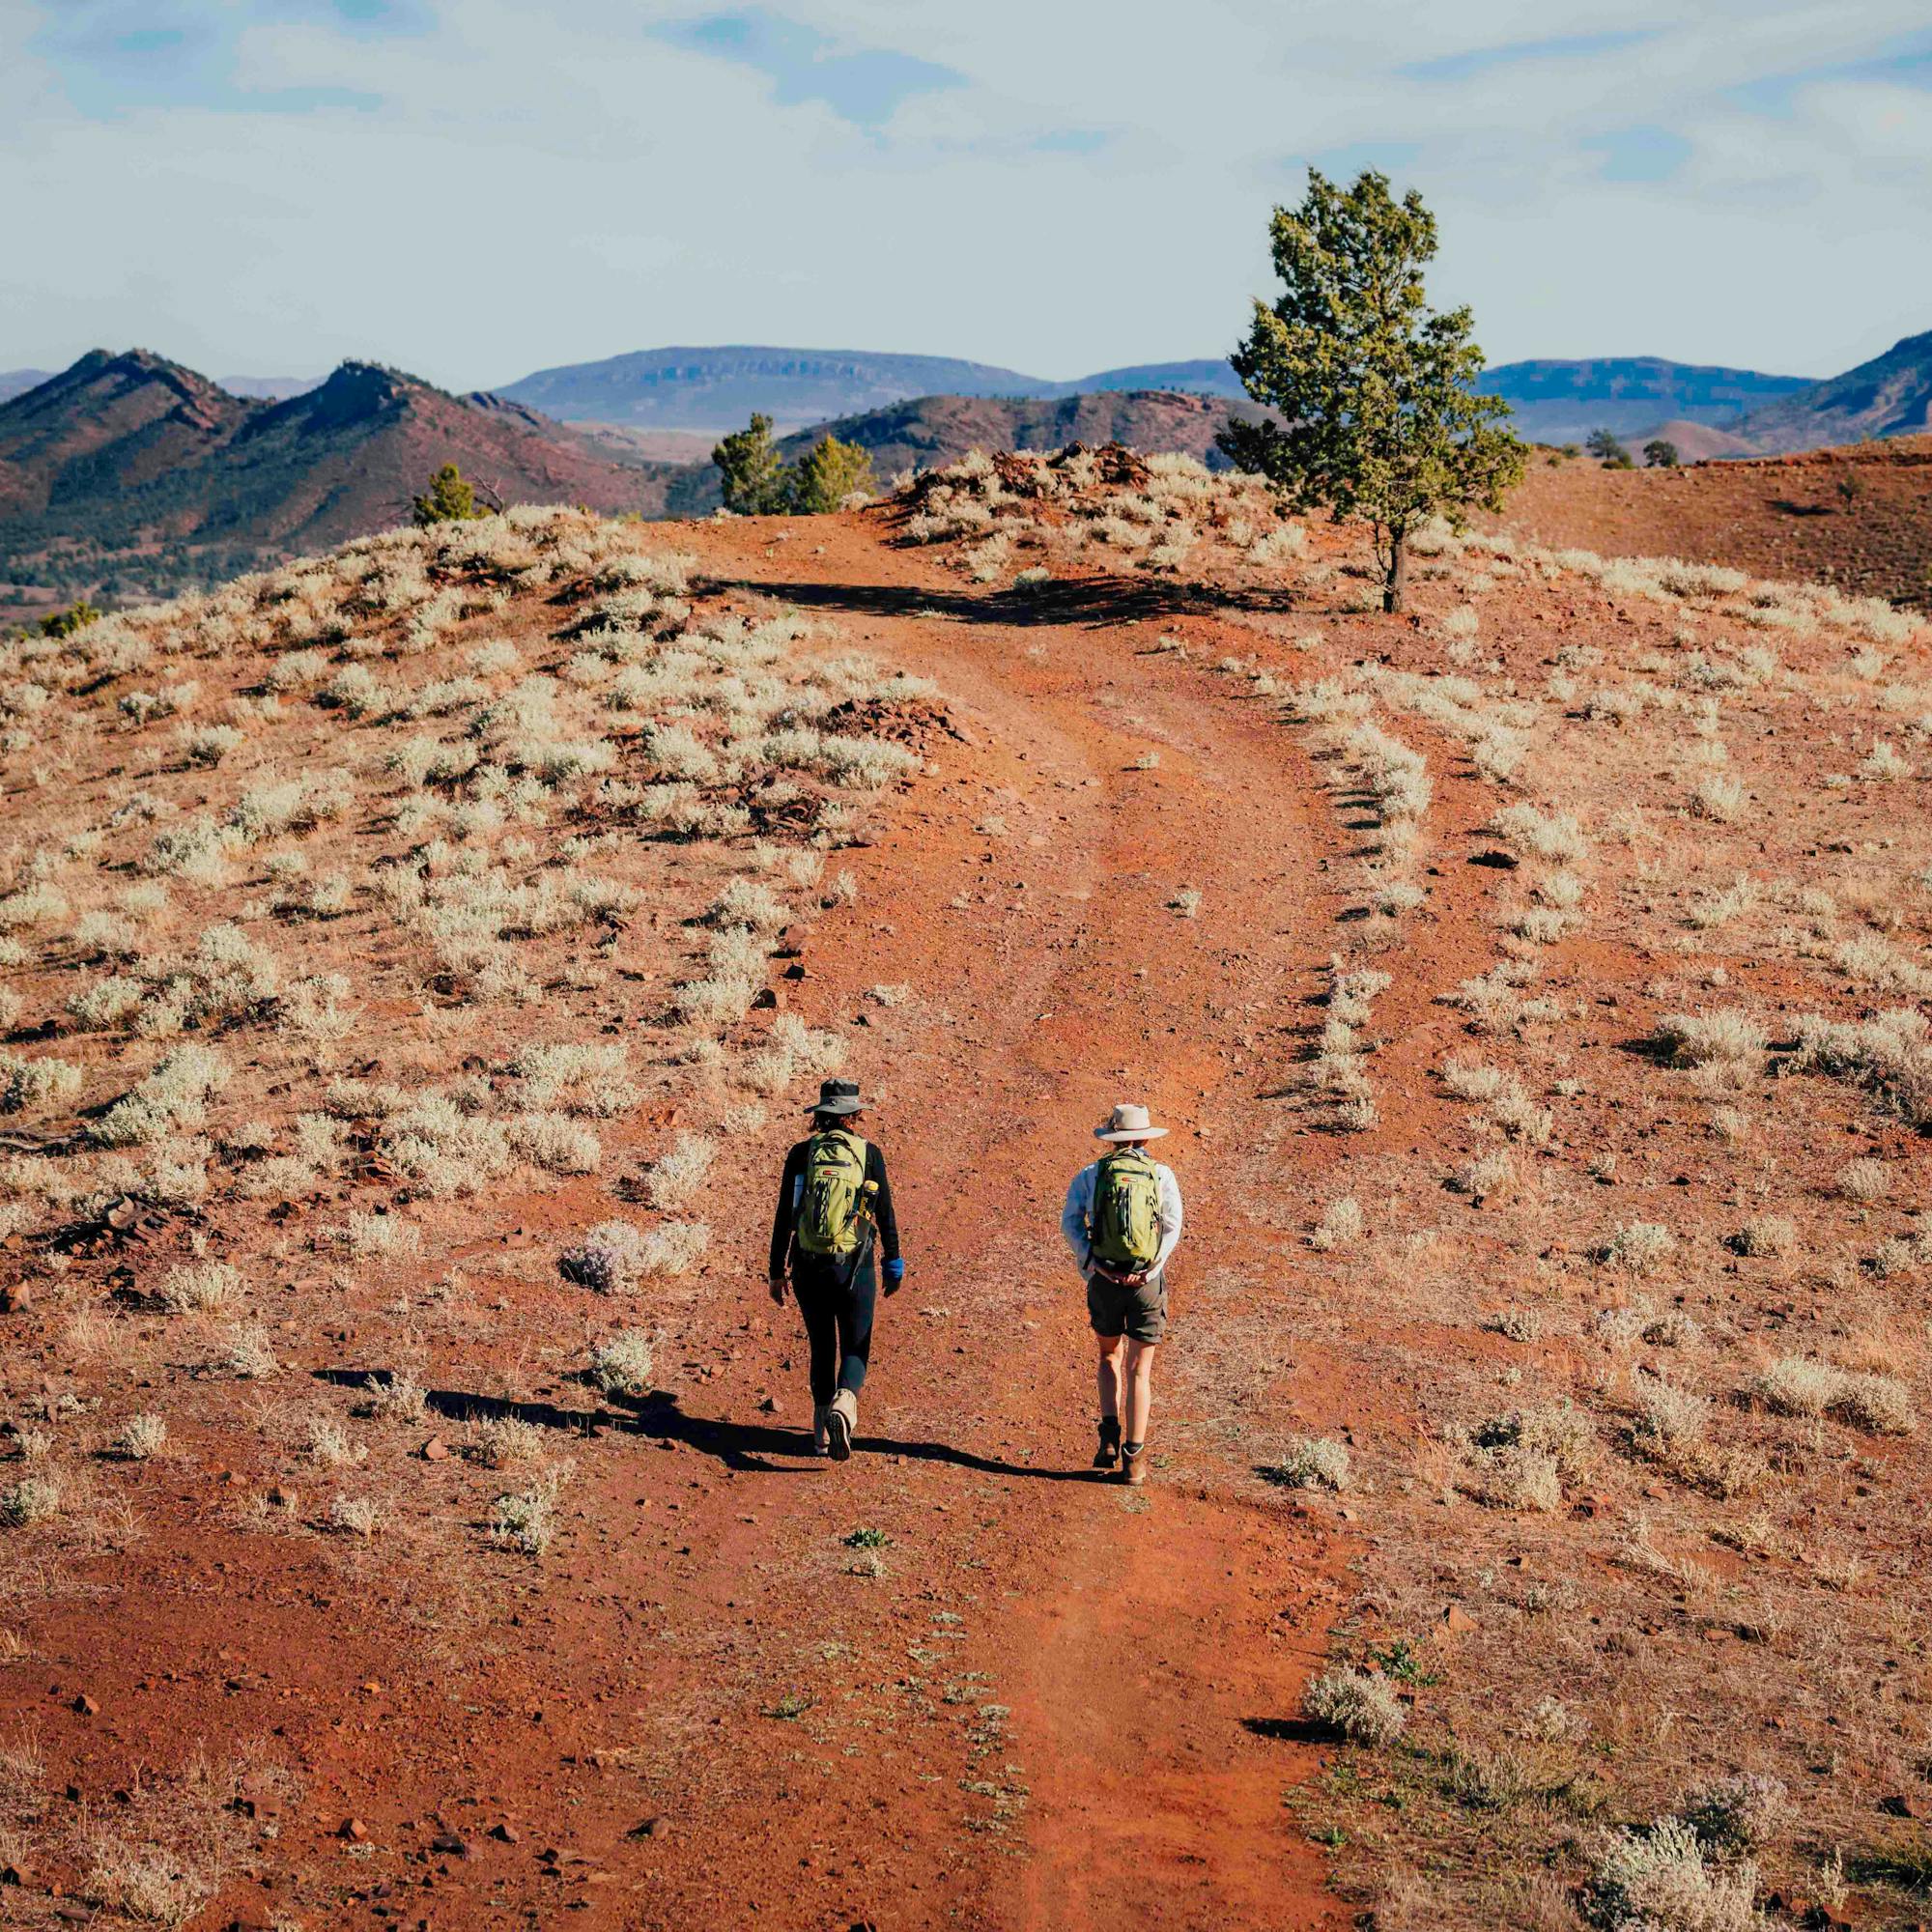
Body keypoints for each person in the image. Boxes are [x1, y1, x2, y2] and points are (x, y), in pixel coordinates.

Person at [768, 1078, 903, 1461]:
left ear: (821, 1114)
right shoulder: (868, 1153)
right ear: (855, 1115)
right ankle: (845, 1404)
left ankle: (821, 1430)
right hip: (854, 1267)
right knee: (856, 1345)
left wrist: (776, 1270)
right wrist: (893, 1263)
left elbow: (785, 1216)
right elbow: (885, 1214)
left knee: (821, 1344)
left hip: (809, 1267)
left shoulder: (800, 1154)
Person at [1060, 1102, 1183, 1486]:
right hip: (1146, 1284)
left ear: (1112, 1138)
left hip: (1104, 1282)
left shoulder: (1091, 1174)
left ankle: (1108, 1439)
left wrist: (1093, 1263)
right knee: (1139, 1370)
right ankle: (1134, 1459)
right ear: (1145, 1137)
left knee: (1108, 1355)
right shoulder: (1161, 1174)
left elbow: (1069, 1224)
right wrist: (1151, 1268)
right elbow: (1172, 1228)